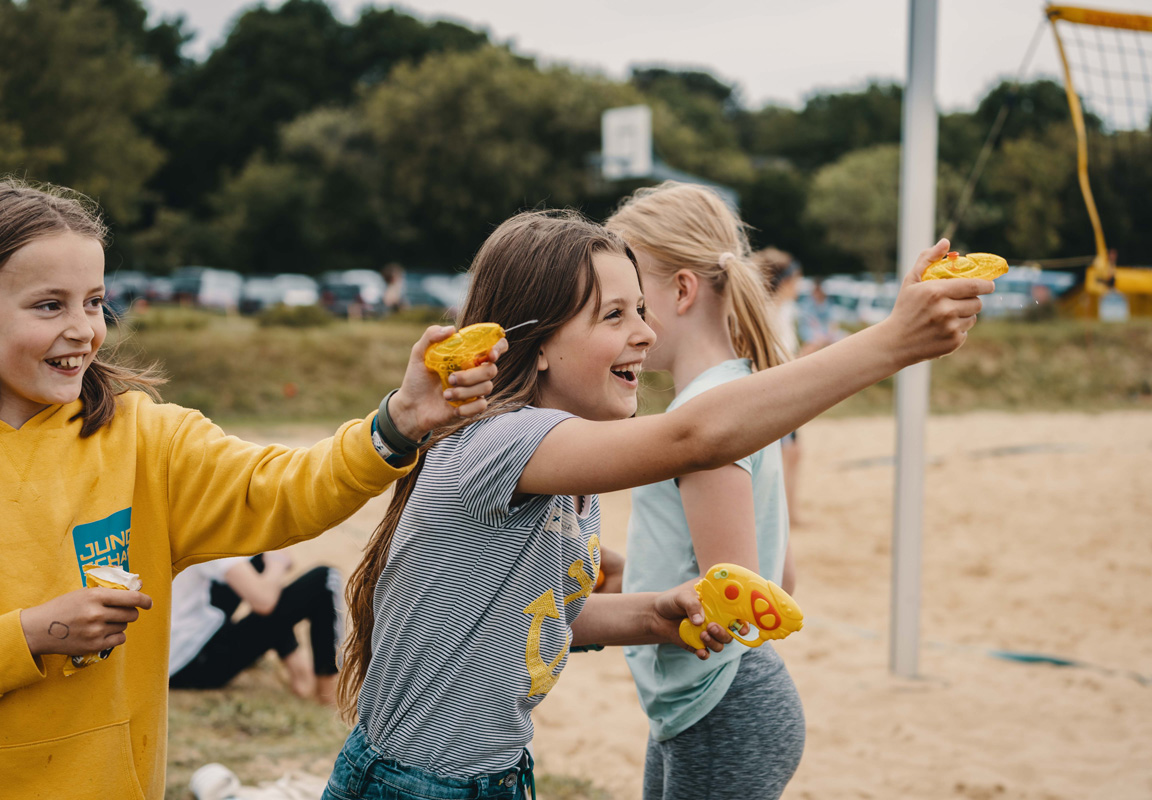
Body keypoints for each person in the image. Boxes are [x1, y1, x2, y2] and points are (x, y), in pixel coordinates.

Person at [322, 209, 991, 800]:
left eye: (641, 309)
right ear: (540, 343)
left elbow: (528, 621)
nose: (644, 332)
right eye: (614, 315)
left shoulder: (558, 475)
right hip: (422, 786)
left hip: (484, 774)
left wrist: (654, 613)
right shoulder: (500, 442)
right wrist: (892, 341)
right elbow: (696, 436)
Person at [0, 178, 503, 800]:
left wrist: (397, 424)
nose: (83, 328)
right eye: (49, 305)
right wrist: (29, 634)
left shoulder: (147, 439)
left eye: (94, 302)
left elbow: (284, 488)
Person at [607, 181, 803, 799]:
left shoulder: (708, 419)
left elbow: (737, 601)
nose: (626, 324)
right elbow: (781, 580)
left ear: (683, 290)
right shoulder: (741, 396)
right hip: (705, 702)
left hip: (722, 704)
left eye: (634, 303)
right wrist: (636, 580)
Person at [168, 551, 344, 706]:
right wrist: (278, 562)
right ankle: (327, 695)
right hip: (193, 663)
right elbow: (263, 600)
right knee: (326, 578)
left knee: (257, 559)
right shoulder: (207, 533)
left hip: (173, 654)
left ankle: (299, 672)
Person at [760, 247, 806, 526]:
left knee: (792, 452)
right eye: (797, 278)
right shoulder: (764, 311)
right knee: (781, 453)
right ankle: (781, 514)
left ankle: (789, 512)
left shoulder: (785, 310)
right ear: (786, 280)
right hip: (774, 390)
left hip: (787, 386)